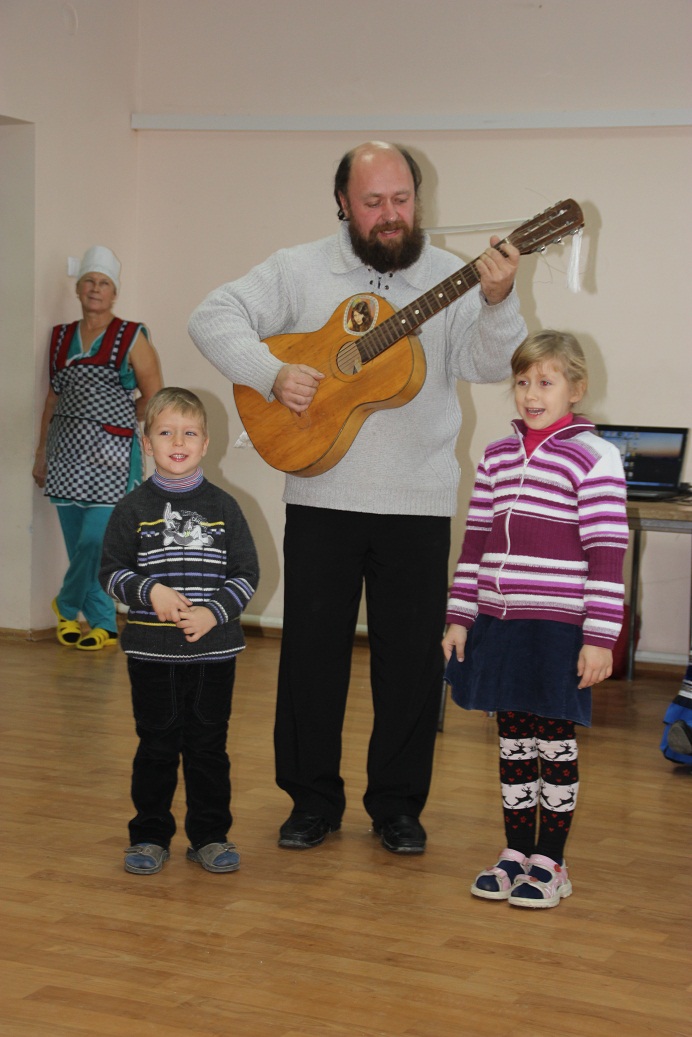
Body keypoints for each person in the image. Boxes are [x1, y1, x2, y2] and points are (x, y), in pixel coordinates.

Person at [188, 140, 527, 855]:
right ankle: (310, 802)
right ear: (343, 203)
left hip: (418, 500)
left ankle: (398, 806)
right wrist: (271, 371)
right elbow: (211, 316)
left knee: (410, 664)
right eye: (373, 202)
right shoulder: (299, 268)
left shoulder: (448, 277)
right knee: (311, 658)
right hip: (321, 491)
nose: (390, 214)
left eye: (402, 199)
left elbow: (488, 363)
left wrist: (498, 300)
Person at [442, 330, 629, 907]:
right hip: (501, 624)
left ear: (576, 388)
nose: (531, 394)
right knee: (514, 742)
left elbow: (607, 551)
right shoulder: (497, 456)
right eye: (522, 382)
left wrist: (600, 637)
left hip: (558, 628)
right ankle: (516, 852)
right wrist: (461, 615)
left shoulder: (594, 456)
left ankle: (552, 861)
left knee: (553, 742)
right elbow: (475, 541)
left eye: (545, 382)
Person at [99, 388, 260, 875]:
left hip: (215, 654)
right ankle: (149, 836)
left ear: (205, 443)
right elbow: (110, 572)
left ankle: (210, 836)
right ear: (147, 443)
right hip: (151, 655)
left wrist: (214, 612)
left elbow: (246, 574)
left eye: (189, 433)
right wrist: (150, 591)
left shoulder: (225, 507)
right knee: (157, 746)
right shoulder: (132, 508)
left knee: (208, 747)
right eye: (166, 432)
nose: (178, 441)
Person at [32, 245, 162, 650]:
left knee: (96, 541)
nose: (94, 288)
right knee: (79, 547)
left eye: (103, 283)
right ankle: (103, 623)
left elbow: (154, 395)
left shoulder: (132, 335)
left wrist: (119, 416)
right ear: (77, 288)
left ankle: (66, 603)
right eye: (88, 280)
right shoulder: (60, 337)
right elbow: (52, 399)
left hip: (113, 458)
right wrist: (41, 454)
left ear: (114, 292)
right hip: (66, 456)